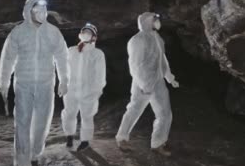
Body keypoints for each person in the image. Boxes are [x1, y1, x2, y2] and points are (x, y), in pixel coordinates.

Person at [0, 0, 69, 166]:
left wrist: (64, 79)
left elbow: (62, 57)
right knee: (22, 123)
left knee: (41, 123)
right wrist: (4, 82)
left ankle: (35, 156)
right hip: (24, 84)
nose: (42, 13)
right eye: (38, 10)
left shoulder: (53, 32)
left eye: (44, 10)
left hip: (46, 84)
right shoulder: (18, 32)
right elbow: (7, 59)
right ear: (29, 11)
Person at [115, 12, 179, 156]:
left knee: (165, 113)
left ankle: (158, 143)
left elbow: (163, 59)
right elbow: (135, 65)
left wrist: (169, 77)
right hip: (142, 82)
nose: (157, 22)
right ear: (147, 21)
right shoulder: (137, 40)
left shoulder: (157, 38)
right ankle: (122, 138)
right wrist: (144, 84)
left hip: (158, 80)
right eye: (155, 20)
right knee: (134, 110)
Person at [61, 23, 106, 151]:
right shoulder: (71, 50)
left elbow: (100, 74)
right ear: (80, 34)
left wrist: (97, 91)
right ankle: (69, 135)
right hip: (71, 90)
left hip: (88, 91)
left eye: (89, 32)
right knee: (69, 114)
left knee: (87, 116)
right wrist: (63, 83)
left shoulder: (97, 54)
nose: (86, 33)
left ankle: (85, 140)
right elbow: (63, 69)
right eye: (84, 31)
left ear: (94, 37)